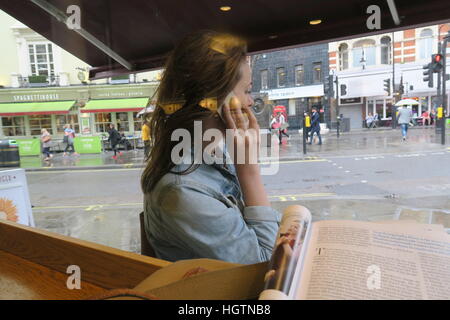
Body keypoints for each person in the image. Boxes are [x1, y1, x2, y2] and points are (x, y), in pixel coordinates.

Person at [141, 30, 280, 264]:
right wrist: (250, 172)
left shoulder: (211, 149)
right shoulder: (182, 192)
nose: (250, 101)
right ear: (216, 100)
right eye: (246, 90)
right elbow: (265, 265)